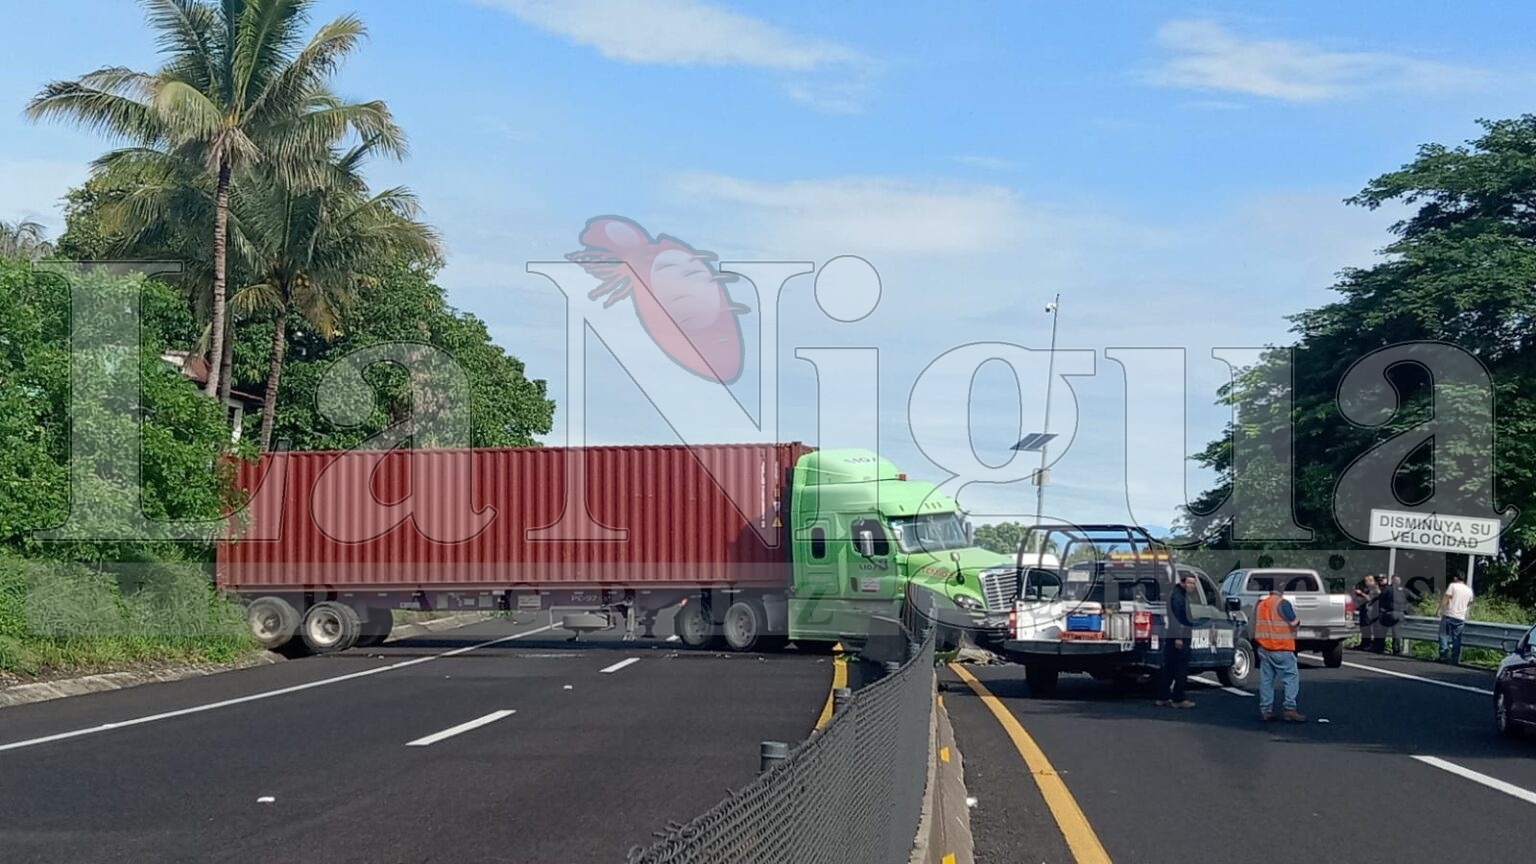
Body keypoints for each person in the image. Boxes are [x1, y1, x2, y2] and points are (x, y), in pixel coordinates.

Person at [1254, 581, 1305, 722]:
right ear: (1281, 590)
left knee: (1266, 680)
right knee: (1291, 677)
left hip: (1264, 647)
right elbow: (1293, 622)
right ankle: (1290, 709)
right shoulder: (1282, 603)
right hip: (1281, 647)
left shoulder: (1261, 604)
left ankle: (1266, 710)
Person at [1156, 571, 1199, 709]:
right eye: (1190, 583)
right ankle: (1179, 698)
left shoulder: (1178, 595)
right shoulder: (1178, 597)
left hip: (1174, 637)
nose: (1192, 586)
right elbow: (1177, 619)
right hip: (1178, 637)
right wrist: (1179, 637)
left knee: (1169, 667)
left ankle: (1163, 697)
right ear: (1182, 582)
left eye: (1194, 583)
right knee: (1181, 668)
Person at [1439, 573, 1475, 665]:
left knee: (1444, 635)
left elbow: (1447, 597)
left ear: (1456, 578)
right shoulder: (1469, 590)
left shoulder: (1453, 586)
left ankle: (1443, 654)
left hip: (1449, 614)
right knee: (1457, 638)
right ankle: (1455, 658)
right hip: (1460, 617)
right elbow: (1470, 602)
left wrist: (1441, 609)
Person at [1379, 576, 1407, 656]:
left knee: (1383, 631)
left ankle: (1380, 648)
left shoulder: (1388, 589)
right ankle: (1396, 650)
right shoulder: (1403, 590)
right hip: (1400, 614)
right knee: (1396, 633)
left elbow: (1381, 598)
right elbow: (1414, 598)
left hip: (1389, 613)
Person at [1354, 575, 1378, 652]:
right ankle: (1363, 643)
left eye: (1367, 581)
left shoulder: (1375, 589)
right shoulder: (1367, 588)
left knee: (1367, 628)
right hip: (1364, 610)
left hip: (1370, 611)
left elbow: (1369, 598)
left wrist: (1362, 593)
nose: (1366, 583)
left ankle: (1368, 644)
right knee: (1363, 627)